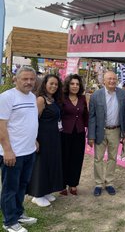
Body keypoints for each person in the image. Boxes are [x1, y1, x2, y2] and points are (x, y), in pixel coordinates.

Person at [0, 66, 39, 232]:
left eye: (31, 79)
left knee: (22, 185)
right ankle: (9, 222)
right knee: (10, 188)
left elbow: (27, 121)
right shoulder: (7, 97)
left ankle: (18, 213)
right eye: (25, 79)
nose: (29, 82)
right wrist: (7, 150)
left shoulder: (32, 97)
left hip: (29, 151)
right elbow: (1, 126)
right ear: (16, 79)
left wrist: (34, 140)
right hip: (13, 153)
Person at [88, 71, 125, 196]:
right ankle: (99, 183)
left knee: (112, 158)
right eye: (109, 79)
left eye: (114, 79)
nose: (112, 81)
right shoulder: (96, 95)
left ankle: (109, 182)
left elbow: (124, 114)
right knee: (98, 158)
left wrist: (124, 132)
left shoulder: (121, 94)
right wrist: (91, 136)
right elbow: (92, 117)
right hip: (100, 131)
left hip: (115, 130)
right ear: (103, 81)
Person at [27, 74, 64, 207]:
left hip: (54, 137)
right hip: (42, 137)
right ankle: (37, 194)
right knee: (40, 165)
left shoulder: (53, 99)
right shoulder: (41, 100)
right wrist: (35, 139)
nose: (54, 86)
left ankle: (46, 190)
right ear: (45, 84)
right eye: (51, 83)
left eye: (56, 84)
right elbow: (33, 120)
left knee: (50, 163)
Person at [60, 74, 89, 196]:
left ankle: (73, 184)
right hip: (64, 133)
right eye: (72, 84)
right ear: (68, 85)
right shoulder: (62, 98)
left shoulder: (82, 98)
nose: (75, 86)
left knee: (77, 159)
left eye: (77, 84)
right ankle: (62, 185)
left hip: (79, 133)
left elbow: (85, 115)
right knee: (64, 159)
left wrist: (89, 131)